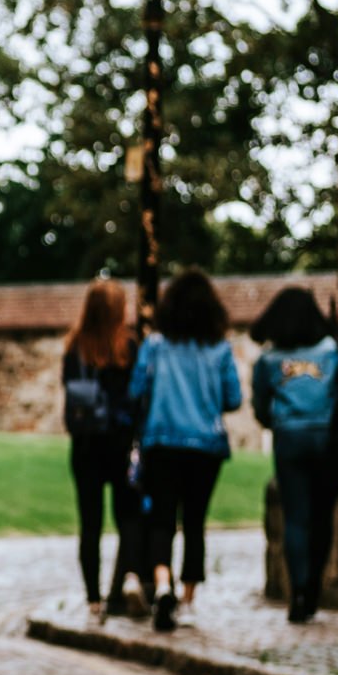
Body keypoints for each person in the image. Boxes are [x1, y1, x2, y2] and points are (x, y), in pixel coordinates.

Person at [130, 268, 243, 633]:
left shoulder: (156, 346)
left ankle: (163, 585)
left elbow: (135, 391)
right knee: (195, 521)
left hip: (162, 441)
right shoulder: (220, 348)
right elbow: (233, 398)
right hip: (206, 445)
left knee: (162, 518)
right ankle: (189, 599)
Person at [250, 285, 338, 625]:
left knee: (296, 518)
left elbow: (260, 404)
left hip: (288, 437)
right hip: (325, 438)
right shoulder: (331, 351)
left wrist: (275, 420)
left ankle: (298, 591)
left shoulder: (270, 359)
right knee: (322, 516)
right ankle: (314, 588)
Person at [60, 280, 144, 622]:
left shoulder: (75, 348)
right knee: (128, 519)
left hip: (86, 444)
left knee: (90, 525)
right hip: (121, 444)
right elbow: (139, 394)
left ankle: (93, 599)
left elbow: (70, 392)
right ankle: (121, 588)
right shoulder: (130, 347)